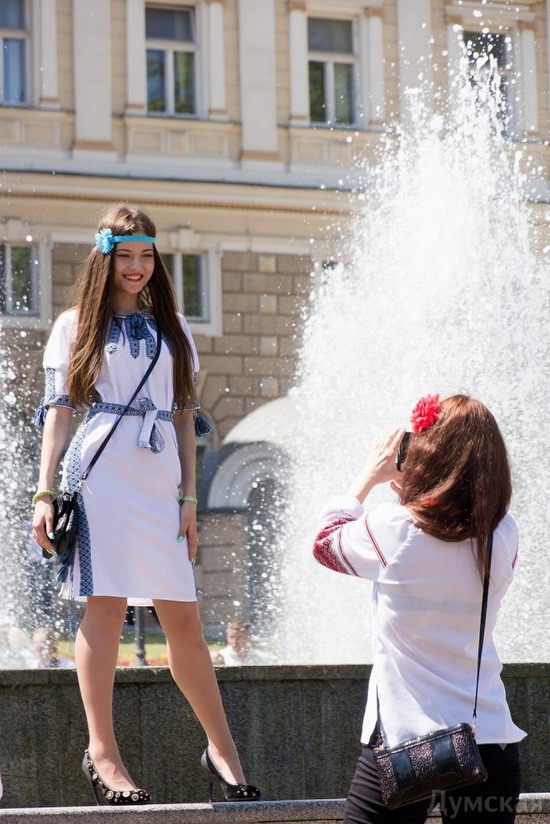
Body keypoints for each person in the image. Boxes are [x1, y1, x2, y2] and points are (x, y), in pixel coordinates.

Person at [32, 204, 260, 806]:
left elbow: (185, 416)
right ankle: (103, 753)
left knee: (182, 617)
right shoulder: (73, 324)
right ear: (105, 256)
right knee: (103, 609)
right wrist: (44, 490)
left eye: (146, 255)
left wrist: (189, 495)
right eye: (124, 254)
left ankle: (223, 749)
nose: (136, 266)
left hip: (159, 481)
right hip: (101, 471)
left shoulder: (173, 328)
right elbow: (58, 417)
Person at [312, 394, 525, 824]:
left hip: (404, 744)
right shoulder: (503, 534)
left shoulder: (394, 528)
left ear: (430, 456)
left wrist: (369, 477)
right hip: (490, 742)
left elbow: (323, 543)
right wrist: (421, 496)